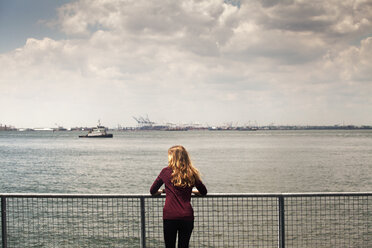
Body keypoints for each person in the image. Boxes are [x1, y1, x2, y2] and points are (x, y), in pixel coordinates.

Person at [150, 145, 207, 248]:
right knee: (184, 246)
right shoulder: (191, 172)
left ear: (172, 157)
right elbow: (203, 191)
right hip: (187, 216)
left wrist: (164, 190)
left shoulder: (165, 172)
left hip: (170, 215)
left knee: (169, 246)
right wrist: (191, 191)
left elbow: (152, 191)